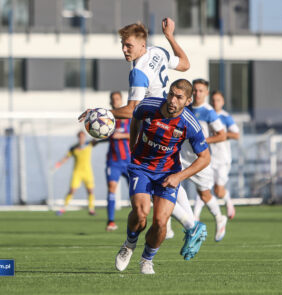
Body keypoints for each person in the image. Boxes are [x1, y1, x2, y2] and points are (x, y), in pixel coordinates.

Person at [79, 18, 201, 256]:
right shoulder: (158, 51)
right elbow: (185, 64)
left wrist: (100, 112)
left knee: (157, 183)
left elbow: (133, 110)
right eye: (123, 45)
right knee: (167, 175)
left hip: (155, 121)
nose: (125, 50)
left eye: (129, 45)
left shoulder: (139, 73)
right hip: (170, 118)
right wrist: (170, 36)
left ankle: (190, 225)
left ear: (142, 45)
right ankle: (190, 225)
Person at [115, 79, 210, 275]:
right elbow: (135, 118)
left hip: (168, 173)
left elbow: (205, 158)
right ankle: (129, 244)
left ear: (188, 100)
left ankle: (147, 259)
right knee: (141, 214)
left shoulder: (190, 123)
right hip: (141, 166)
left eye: (179, 97)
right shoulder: (149, 105)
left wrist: (179, 176)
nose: (173, 100)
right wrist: (133, 144)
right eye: (171, 94)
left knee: (160, 222)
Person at [181, 79, 228, 242]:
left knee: (205, 194)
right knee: (168, 184)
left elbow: (222, 135)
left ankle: (219, 218)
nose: (197, 93)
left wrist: (202, 141)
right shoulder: (185, 109)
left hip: (199, 161)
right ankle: (169, 226)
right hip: (181, 157)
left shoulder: (209, 112)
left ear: (206, 93)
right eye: (195, 90)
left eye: (201, 91)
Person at [209, 90, 240, 219]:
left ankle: (228, 201)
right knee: (205, 186)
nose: (215, 102)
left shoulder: (226, 117)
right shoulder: (208, 115)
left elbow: (236, 134)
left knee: (219, 191)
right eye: (213, 100)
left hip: (223, 158)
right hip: (209, 157)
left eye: (218, 100)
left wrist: (221, 135)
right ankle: (195, 216)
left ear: (223, 102)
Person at [55, 131, 99, 215]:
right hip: (77, 172)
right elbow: (66, 157)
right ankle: (63, 208)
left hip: (87, 172)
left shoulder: (89, 144)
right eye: (80, 137)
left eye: (83, 137)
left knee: (90, 191)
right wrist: (58, 164)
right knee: (72, 190)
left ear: (85, 137)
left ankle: (91, 209)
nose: (81, 138)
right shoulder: (73, 148)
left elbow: (96, 142)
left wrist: (96, 133)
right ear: (78, 138)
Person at [105, 91, 131, 231]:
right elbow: (107, 135)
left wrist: (122, 135)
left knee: (135, 192)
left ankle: (139, 218)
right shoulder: (108, 120)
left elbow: (137, 134)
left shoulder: (129, 118)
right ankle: (110, 221)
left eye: (117, 99)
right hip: (113, 161)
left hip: (129, 161)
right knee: (111, 188)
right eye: (113, 99)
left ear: (121, 100)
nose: (115, 101)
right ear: (110, 102)